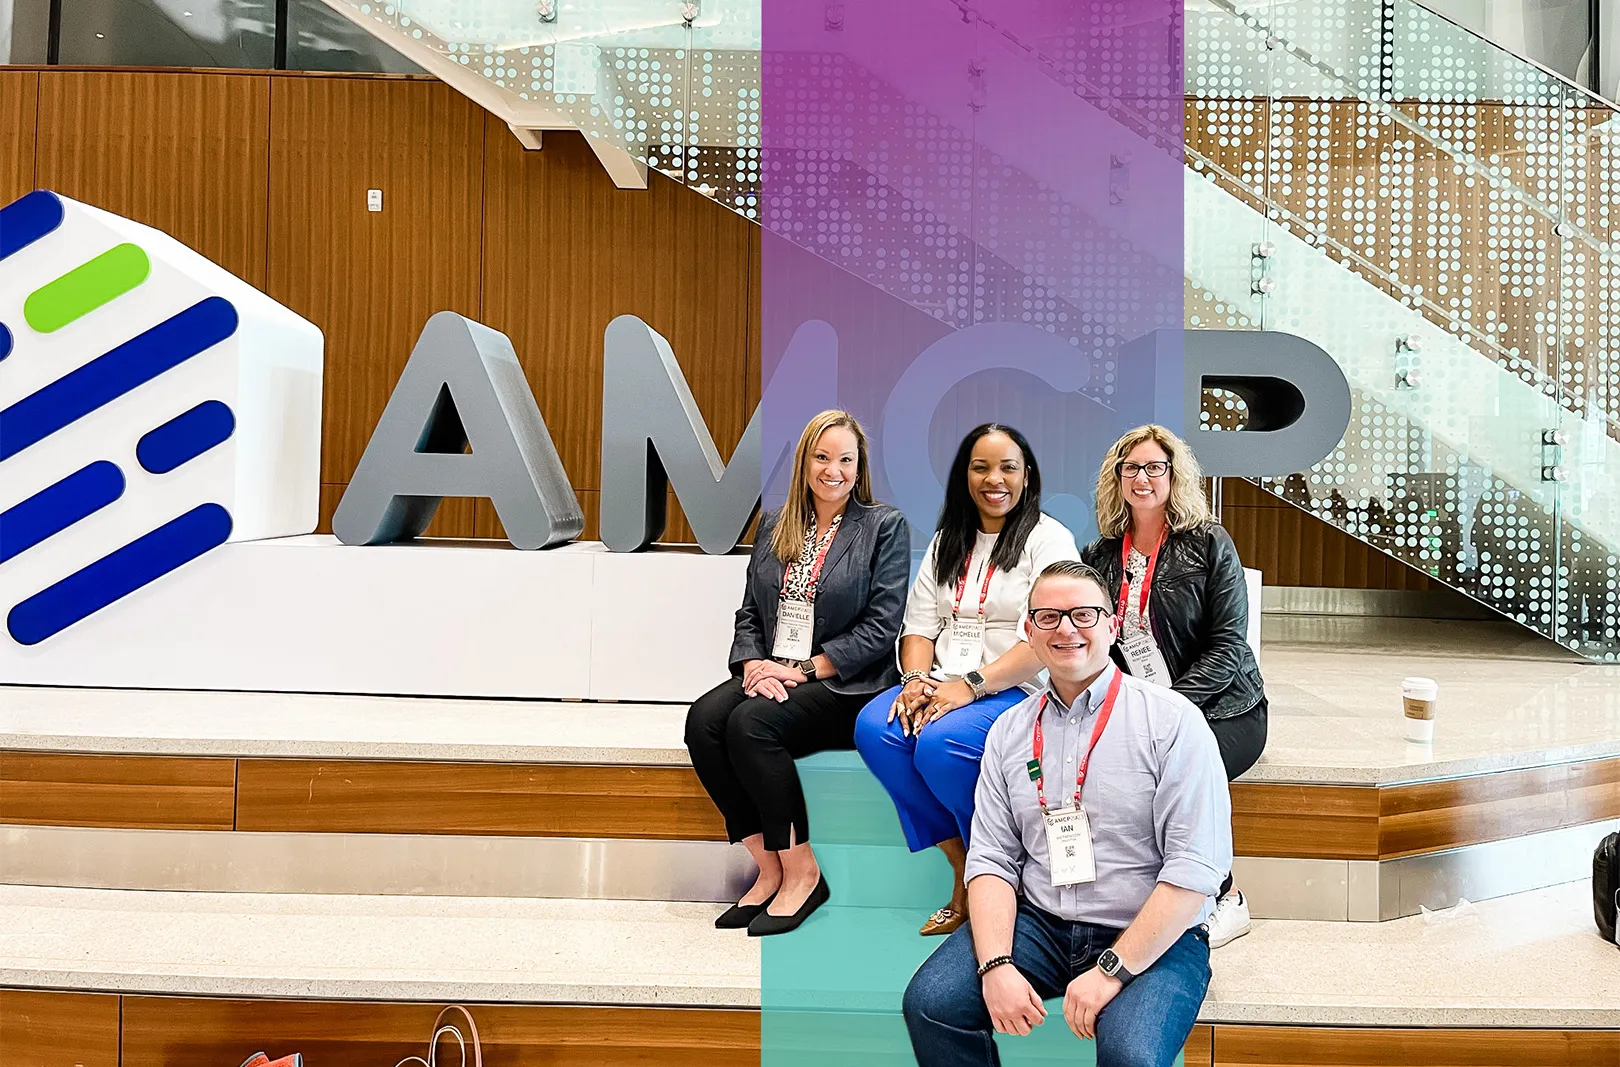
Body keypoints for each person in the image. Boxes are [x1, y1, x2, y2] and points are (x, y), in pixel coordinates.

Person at [902, 560, 1231, 1067]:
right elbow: (991, 858)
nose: (1067, 629)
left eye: (1084, 614)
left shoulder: (1173, 722)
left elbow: (1194, 872)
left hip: (1149, 931)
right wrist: (995, 964)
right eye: (1049, 617)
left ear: (1112, 624)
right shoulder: (1009, 731)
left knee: (1131, 1056)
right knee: (932, 1004)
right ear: (1029, 632)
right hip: (1041, 923)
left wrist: (1111, 971)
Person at [685, 410, 909, 937]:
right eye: (822, 457)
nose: (834, 470)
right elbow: (749, 612)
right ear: (804, 462)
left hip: (845, 684)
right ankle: (768, 869)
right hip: (774, 670)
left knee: (750, 725)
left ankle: (803, 871)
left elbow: (882, 627)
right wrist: (752, 665)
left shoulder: (883, 527)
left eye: (846, 459)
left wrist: (803, 670)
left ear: (860, 467)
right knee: (704, 720)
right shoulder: (774, 523)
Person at [855, 424, 1079, 936]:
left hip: (1015, 686)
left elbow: (1046, 640)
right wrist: (913, 679)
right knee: (876, 729)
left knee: (940, 744)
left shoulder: (1049, 539)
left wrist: (971, 686)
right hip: (943, 682)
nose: (993, 479)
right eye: (980, 467)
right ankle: (966, 865)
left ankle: (991, 876)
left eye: (1007, 467)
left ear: (1027, 476)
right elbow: (918, 626)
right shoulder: (947, 539)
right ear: (964, 475)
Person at [1080, 424, 1266, 948]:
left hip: (1226, 706)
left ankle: (1227, 897)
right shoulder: (1098, 556)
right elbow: (1098, 646)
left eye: (1155, 467)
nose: (1143, 478)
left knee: (1179, 770)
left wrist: (1168, 709)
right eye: (1132, 468)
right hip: (1141, 708)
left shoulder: (1208, 543)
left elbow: (1229, 646)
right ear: (1117, 478)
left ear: (1173, 476)